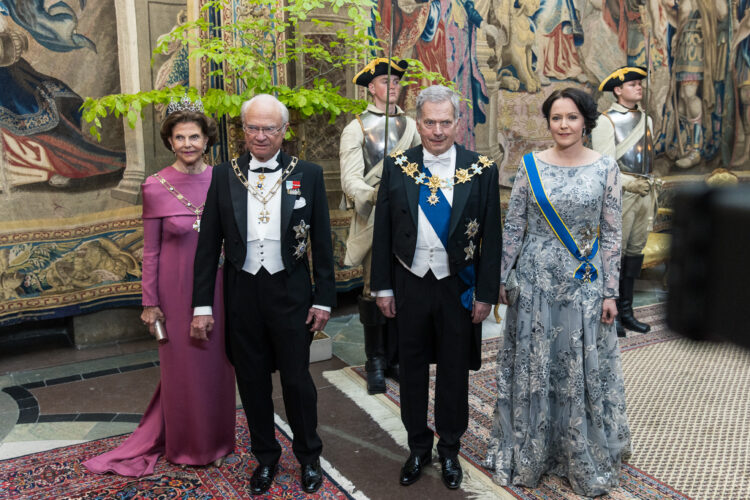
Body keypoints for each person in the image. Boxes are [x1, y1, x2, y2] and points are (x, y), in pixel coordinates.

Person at [484, 87, 630, 496]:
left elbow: (613, 234)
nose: (563, 125)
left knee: (578, 365)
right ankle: (533, 448)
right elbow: (514, 226)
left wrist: (610, 292)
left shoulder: (606, 168)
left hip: (584, 282)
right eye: (555, 118)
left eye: (571, 117)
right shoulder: (529, 166)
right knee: (537, 363)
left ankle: (578, 450)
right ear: (547, 122)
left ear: (586, 121)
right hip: (536, 284)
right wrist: (499, 276)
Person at [190, 94, 336, 495]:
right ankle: (266, 458)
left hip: (290, 290)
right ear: (242, 130)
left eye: (269, 128)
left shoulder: (308, 173)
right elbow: (208, 247)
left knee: (296, 380)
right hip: (242, 291)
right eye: (252, 127)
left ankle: (309, 457)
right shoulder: (225, 175)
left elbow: (322, 241)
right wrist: (201, 305)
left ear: (284, 131)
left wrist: (323, 298)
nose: (260, 135)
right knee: (252, 381)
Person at [83, 96, 235, 477]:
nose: (187, 144)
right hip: (174, 291)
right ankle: (188, 445)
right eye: (180, 137)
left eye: (194, 136)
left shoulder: (225, 179)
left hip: (218, 289)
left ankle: (218, 441)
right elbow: (150, 252)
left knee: (218, 368)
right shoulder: (154, 186)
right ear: (169, 141)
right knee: (185, 371)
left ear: (206, 139)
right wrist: (149, 303)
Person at [371, 85, 501, 490]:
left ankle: (449, 451)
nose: (438, 131)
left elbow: (491, 238)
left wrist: (485, 292)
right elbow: (384, 231)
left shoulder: (481, 168)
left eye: (446, 122)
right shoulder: (398, 166)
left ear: (458, 122)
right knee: (410, 371)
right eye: (430, 122)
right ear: (418, 121)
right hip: (409, 283)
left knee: (452, 373)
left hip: (456, 286)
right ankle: (416, 447)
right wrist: (382, 288)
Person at [339, 57, 420, 394]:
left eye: (398, 82)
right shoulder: (355, 128)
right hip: (372, 219)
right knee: (374, 290)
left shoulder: (412, 127)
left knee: (402, 287)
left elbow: (421, 170)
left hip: (406, 220)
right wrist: (376, 195)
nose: (394, 87)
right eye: (387, 82)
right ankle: (375, 359)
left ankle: (397, 358)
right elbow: (349, 181)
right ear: (371, 87)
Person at [592, 66, 656, 337]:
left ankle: (628, 312)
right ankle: (613, 312)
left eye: (640, 84)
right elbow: (603, 165)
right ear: (617, 90)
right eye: (632, 84)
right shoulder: (605, 121)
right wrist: (629, 184)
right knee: (615, 255)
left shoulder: (647, 119)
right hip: (623, 193)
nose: (639, 87)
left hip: (645, 192)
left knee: (634, 253)